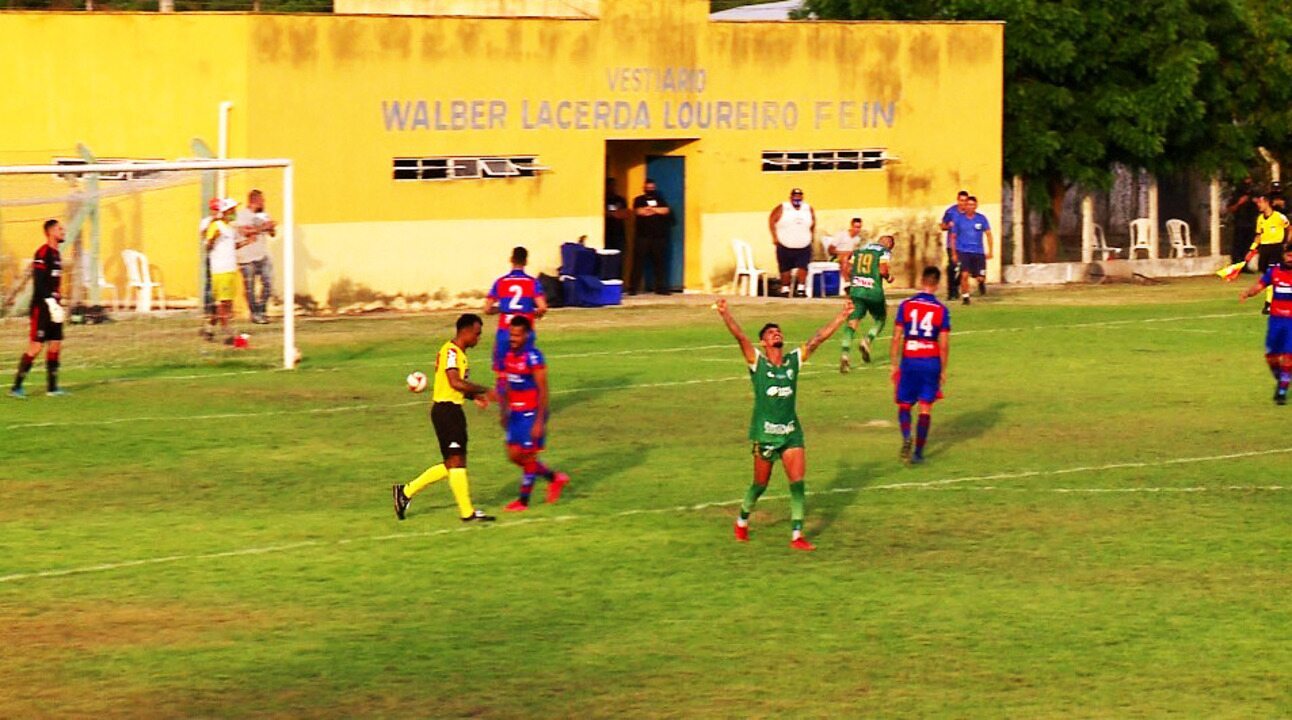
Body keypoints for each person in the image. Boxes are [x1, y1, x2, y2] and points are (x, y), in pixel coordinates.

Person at [714, 297, 852, 551]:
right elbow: (741, 338)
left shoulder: (792, 362)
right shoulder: (758, 363)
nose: (776, 334)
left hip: (790, 433)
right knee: (760, 484)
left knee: (797, 482)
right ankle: (742, 520)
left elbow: (816, 340)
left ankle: (797, 535)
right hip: (765, 434)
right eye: (770, 333)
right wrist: (725, 314)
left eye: (778, 331)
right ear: (764, 343)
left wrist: (841, 317)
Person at [392, 313, 497, 522]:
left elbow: (456, 386)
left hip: (451, 410)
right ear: (465, 332)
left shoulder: (459, 354)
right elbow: (454, 382)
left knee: (453, 463)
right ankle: (467, 513)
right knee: (456, 461)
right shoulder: (451, 351)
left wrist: (473, 395)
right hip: (446, 411)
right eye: (477, 334)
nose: (478, 338)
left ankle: (405, 492)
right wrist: (486, 390)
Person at [499, 316, 571, 511]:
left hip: (530, 414)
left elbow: (544, 390)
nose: (512, 338)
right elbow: (507, 385)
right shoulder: (508, 355)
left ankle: (523, 501)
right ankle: (554, 478)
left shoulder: (534, 357)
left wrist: (540, 421)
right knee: (513, 455)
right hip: (515, 412)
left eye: (517, 335)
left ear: (527, 335)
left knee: (528, 457)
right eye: (511, 334)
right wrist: (504, 411)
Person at [891, 267, 951, 464]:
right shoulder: (941, 310)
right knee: (925, 407)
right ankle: (918, 453)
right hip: (930, 360)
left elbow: (897, 337)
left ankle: (907, 436)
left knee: (905, 404)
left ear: (922, 280)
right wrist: (943, 369)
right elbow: (943, 344)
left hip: (909, 359)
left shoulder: (906, 305)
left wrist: (893, 365)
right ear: (937, 284)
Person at [10, 219, 68, 399]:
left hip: (55, 307)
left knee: (56, 344)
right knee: (36, 347)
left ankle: (52, 388)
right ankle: (16, 387)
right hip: (42, 307)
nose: (63, 231)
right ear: (51, 232)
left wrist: (58, 304)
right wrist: (50, 303)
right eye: (60, 229)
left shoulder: (57, 254)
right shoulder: (43, 252)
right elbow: (40, 282)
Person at [485, 246, 547, 410]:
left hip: (505, 331)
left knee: (503, 370)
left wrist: (502, 309)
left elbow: (487, 309)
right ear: (526, 261)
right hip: (525, 332)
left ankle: (506, 406)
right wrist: (533, 313)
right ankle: (528, 403)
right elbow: (542, 307)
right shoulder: (532, 282)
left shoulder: (501, 282)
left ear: (511, 260)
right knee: (526, 368)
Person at [839, 232, 895, 373]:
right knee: (881, 318)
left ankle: (845, 356)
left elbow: (847, 267)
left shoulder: (861, 249)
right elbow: (883, 270)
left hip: (857, 290)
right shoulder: (884, 252)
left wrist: (849, 283)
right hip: (873, 291)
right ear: (889, 244)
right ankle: (867, 341)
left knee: (852, 322)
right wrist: (889, 277)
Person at [1240, 193, 1290, 314]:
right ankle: (1271, 302)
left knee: (1273, 274)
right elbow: (1259, 236)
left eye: (1260, 202)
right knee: (1266, 277)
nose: (1258, 205)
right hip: (1265, 249)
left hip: (1276, 249)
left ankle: (1269, 304)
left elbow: (1289, 228)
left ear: (1267, 202)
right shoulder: (1260, 219)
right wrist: (1252, 250)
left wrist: (1286, 245)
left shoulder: (1279, 217)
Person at [200, 197, 240, 342]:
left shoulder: (230, 228)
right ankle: (228, 333)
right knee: (224, 304)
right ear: (226, 211)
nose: (235, 212)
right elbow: (207, 246)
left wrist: (246, 242)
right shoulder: (216, 225)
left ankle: (209, 329)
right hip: (221, 269)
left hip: (230, 269)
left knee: (226, 302)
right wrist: (212, 240)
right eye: (232, 210)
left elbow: (231, 246)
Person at [235, 189, 276, 324]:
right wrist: (262, 228)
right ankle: (255, 313)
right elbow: (244, 231)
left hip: (262, 255)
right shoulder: (241, 215)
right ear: (255, 201)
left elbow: (272, 233)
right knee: (250, 288)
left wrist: (270, 227)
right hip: (246, 257)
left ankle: (261, 310)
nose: (264, 203)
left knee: (268, 283)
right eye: (262, 200)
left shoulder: (263, 215)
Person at [768, 187, 815, 297]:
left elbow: (813, 223)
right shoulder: (783, 207)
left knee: (803, 267)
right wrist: (774, 236)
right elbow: (772, 220)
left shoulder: (807, 208)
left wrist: (811, 236)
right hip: (785, 244)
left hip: (804, 244)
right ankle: (785, 288)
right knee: (785, 267)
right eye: (795, 196)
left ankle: (801, 289)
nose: (797, 198)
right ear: (791, 197)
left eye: (799, 196)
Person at [948, 195, 994, 305]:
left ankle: (981, 282)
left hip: (978, 252)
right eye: (968, 204)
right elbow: (953, 237)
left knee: (980, 278)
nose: (970, 207)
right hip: (964, 251)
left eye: (973, 205)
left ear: (976, 206)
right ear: (965, 206)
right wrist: (954, 253)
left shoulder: (981, 218)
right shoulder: (959, 219)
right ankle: (965, 297)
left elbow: (988, 234)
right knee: (964, 275)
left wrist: (991, 251)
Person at [631, 178, 673, 295]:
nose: (650, 189)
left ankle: (661, 288)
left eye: (652, 188)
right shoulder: (638, 199)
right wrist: (654, 211)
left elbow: (665, 210)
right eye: (648, 188)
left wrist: (651, 209)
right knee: (638, 263)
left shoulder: (660, 199)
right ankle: (633, 288)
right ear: (644, 188)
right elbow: (639, 212)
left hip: (658, 237)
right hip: (642, 236)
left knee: (659, 263)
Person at [941, 191, 969, 300]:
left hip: (966, 246)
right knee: (952, 268)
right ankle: (951, 292)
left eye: (965, 201)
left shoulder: (969, 213)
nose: (963, 203)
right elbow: (942, 226)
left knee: (964, 269)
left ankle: (956, 287)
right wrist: (948, 225)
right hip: (951, 245)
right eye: (961, 200)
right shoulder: (951, 212)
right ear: (958, 200)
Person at [1227, 177, 1259, 265]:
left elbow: (1263, 206)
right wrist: (1239, 203)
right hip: (1240, 224)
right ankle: (1236, 263)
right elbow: (1230, 208)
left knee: (1248, 246)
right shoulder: (1237, 194)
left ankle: (1246, 264)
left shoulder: (1255, 193)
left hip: (1252, 223)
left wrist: (1256, 202)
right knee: (1238, 245)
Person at [604, 178, 630, 254]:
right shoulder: (603, 199)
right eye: (610, 185)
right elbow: (603, 213)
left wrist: (611, 213)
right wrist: (616, 213)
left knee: (620, 256)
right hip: (607, 233)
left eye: (614, 185)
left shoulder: (620, 199)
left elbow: (625, 214)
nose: (612, 187)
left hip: (619, 234)